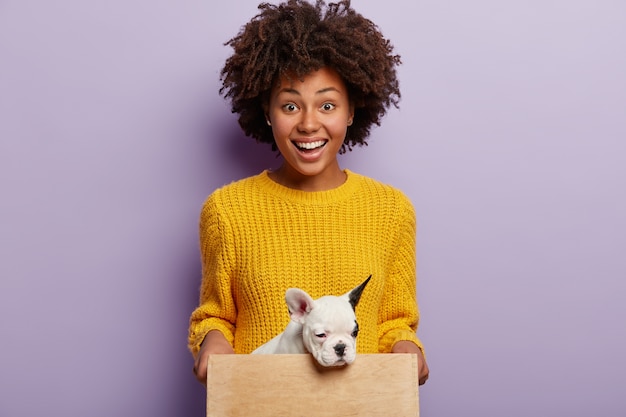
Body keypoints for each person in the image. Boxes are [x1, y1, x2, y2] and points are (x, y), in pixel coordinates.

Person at [189, 0, 429, 386]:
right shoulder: (226, 210)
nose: (308, 123)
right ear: (267, 112)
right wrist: (212, 342)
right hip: (263, 405)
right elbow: (216, 316)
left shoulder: (391, 210)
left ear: (352, 110)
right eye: (289, 105)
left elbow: (393, 323)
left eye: (328, 104)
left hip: (360, 408)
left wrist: (407, 347)